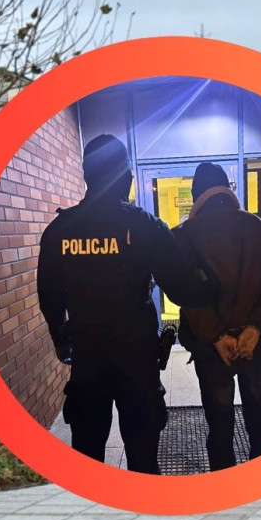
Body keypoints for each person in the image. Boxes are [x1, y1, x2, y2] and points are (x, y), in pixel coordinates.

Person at [37, 134, 215, 474]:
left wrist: (62, 339)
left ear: (88, 175)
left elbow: (49, 294)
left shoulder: (59, 231)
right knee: (143, 460)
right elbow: (180, 289)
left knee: (87, 461)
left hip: (88, 362)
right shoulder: (145, 226)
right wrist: (214, 287)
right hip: (136, 362)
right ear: (125, 176)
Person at [172, 162, 261, 469]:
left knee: (219, 424)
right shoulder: (260, 229)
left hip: (210, 348)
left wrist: (216, 335)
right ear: (228, 190)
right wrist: (256, 328)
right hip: (253, 346)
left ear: (196, 194)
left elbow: (184, 292)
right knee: (258, 417)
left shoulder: (184, 235)